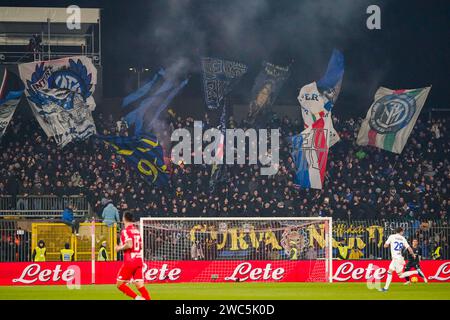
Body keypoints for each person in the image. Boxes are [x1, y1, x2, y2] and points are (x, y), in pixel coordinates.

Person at [115, 211, 150, 300]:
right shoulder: (137, 231)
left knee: (119, 284)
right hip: (138, 260)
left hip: (130, 261)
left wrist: (119, 248)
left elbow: (129, 245)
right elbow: (141, 246)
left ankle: (138, 298)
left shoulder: (125, 231)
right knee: (139, 285)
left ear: (124, 219)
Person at [379, 227, 420, 292]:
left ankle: (417, 272)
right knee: (389, 272)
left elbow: (385, 246)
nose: (403, 232)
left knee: (400, 275)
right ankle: (385, 288)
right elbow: (409, 248)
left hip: (396, 258)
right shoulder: (403, 238)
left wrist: (389, 244)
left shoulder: (391, 236)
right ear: (401, 232)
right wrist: (413, 254)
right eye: (403, 231)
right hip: (398, 258)